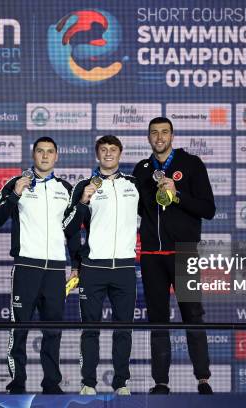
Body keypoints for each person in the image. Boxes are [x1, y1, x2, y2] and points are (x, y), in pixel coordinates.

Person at [132, 117, 216, 394]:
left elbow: (208, 209)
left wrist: (176, 194)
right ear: (148, 137)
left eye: (164, 132)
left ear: (172, 136)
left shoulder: (191, 164)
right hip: (152, 256)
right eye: (154, 133)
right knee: (157, 318)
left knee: (193, 314)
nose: (159, 137)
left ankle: (203, 379)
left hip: (184, 253)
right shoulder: (142, 170)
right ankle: (160, 382)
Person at [0, 136, 78, 394]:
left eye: (50, 152)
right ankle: (17, 382)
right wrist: (15, 194)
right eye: (40, 151)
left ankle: (51, 382)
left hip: (55, 272)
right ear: (33, 154)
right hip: (26, 267)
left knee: (54, 330)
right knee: (19, 328)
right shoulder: (17, 184)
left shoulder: (66, 188)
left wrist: (76, 265)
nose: (45, 156)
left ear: (57, 156)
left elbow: (72, 231)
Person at [63, 135, 139, 396]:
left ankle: (121, 383)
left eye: (113, 149)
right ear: (97, 154)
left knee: (124, 329)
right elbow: (70, 229)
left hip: (125, 269)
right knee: (90, 329)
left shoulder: (134, 185)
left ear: (120, 153)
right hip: (93, 268)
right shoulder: (85, 185)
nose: (108, 154)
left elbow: (153, 219)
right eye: (103, 150)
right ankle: (88, 383)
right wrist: (84, 200)